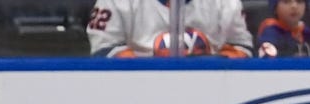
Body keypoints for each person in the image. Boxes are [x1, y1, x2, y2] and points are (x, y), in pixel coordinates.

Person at [88, 0, 253, 57]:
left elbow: (242, 48)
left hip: (210, 93)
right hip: (136, 95)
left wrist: (211, 65)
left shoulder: (225, 3)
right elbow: (103, 51)